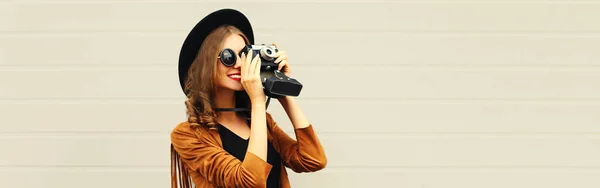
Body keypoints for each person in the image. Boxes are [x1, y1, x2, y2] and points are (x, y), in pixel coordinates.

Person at [170, 8, 327, 188]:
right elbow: (249, 181)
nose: (238, 64)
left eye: (244, 56)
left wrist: (280, 86)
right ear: (207, 64)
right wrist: (258, 103)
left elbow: (313, 159)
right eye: (229, 57)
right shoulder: (188, 135)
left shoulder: (259, 122)